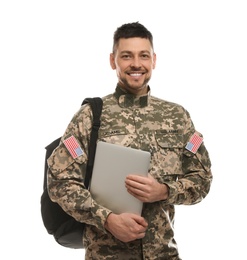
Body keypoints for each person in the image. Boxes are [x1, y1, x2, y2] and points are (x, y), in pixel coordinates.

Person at [47, 22, 213, 260]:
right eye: (127, 56)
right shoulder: (90, 116)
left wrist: (165, 191)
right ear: (113, 60)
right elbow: (60, 181)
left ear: (153, 60)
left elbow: (202, 179)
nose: (136, 64)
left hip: (164, 255)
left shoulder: (178, 117)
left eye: (143, 55)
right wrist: (107, 219)